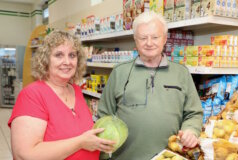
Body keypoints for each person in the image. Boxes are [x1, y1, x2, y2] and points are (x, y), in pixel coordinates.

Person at [98, 11, 203, 160]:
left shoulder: (181, 73)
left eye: (155, 37)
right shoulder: (119, 72)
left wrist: (191, 130)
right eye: (143, 38)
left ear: (165, 39)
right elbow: (104, 115)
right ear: (135, 40)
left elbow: (194, 113)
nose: (149, 43)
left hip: (169, 156)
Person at [8, 30, 115, 160]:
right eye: (59, 55)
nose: (67, 62)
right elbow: (25, 155)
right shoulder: (32, 95)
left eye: (72, 55)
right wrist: (81, 142)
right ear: (46, 60)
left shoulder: (75, 90)